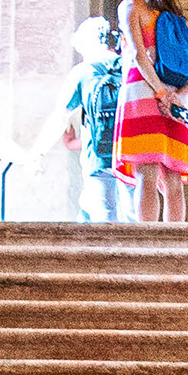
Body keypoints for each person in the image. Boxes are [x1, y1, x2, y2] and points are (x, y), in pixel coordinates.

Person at [114, 0, 188, 225]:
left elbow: (140, 56)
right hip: (177, 102)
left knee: (146, 173)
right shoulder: (182, 22)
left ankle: (146, 237)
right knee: (173, 178)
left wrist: (160, 93)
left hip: (143, 93)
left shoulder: (132, 8)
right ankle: (175, 239)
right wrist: (177, 96)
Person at [58, 12, 123, 222]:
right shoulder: (130, 67)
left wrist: (36, 152)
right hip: (131, 156)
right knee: (128, 219)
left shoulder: (83, 71)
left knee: (104, 223)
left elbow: (62, 112)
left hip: (97, 158)